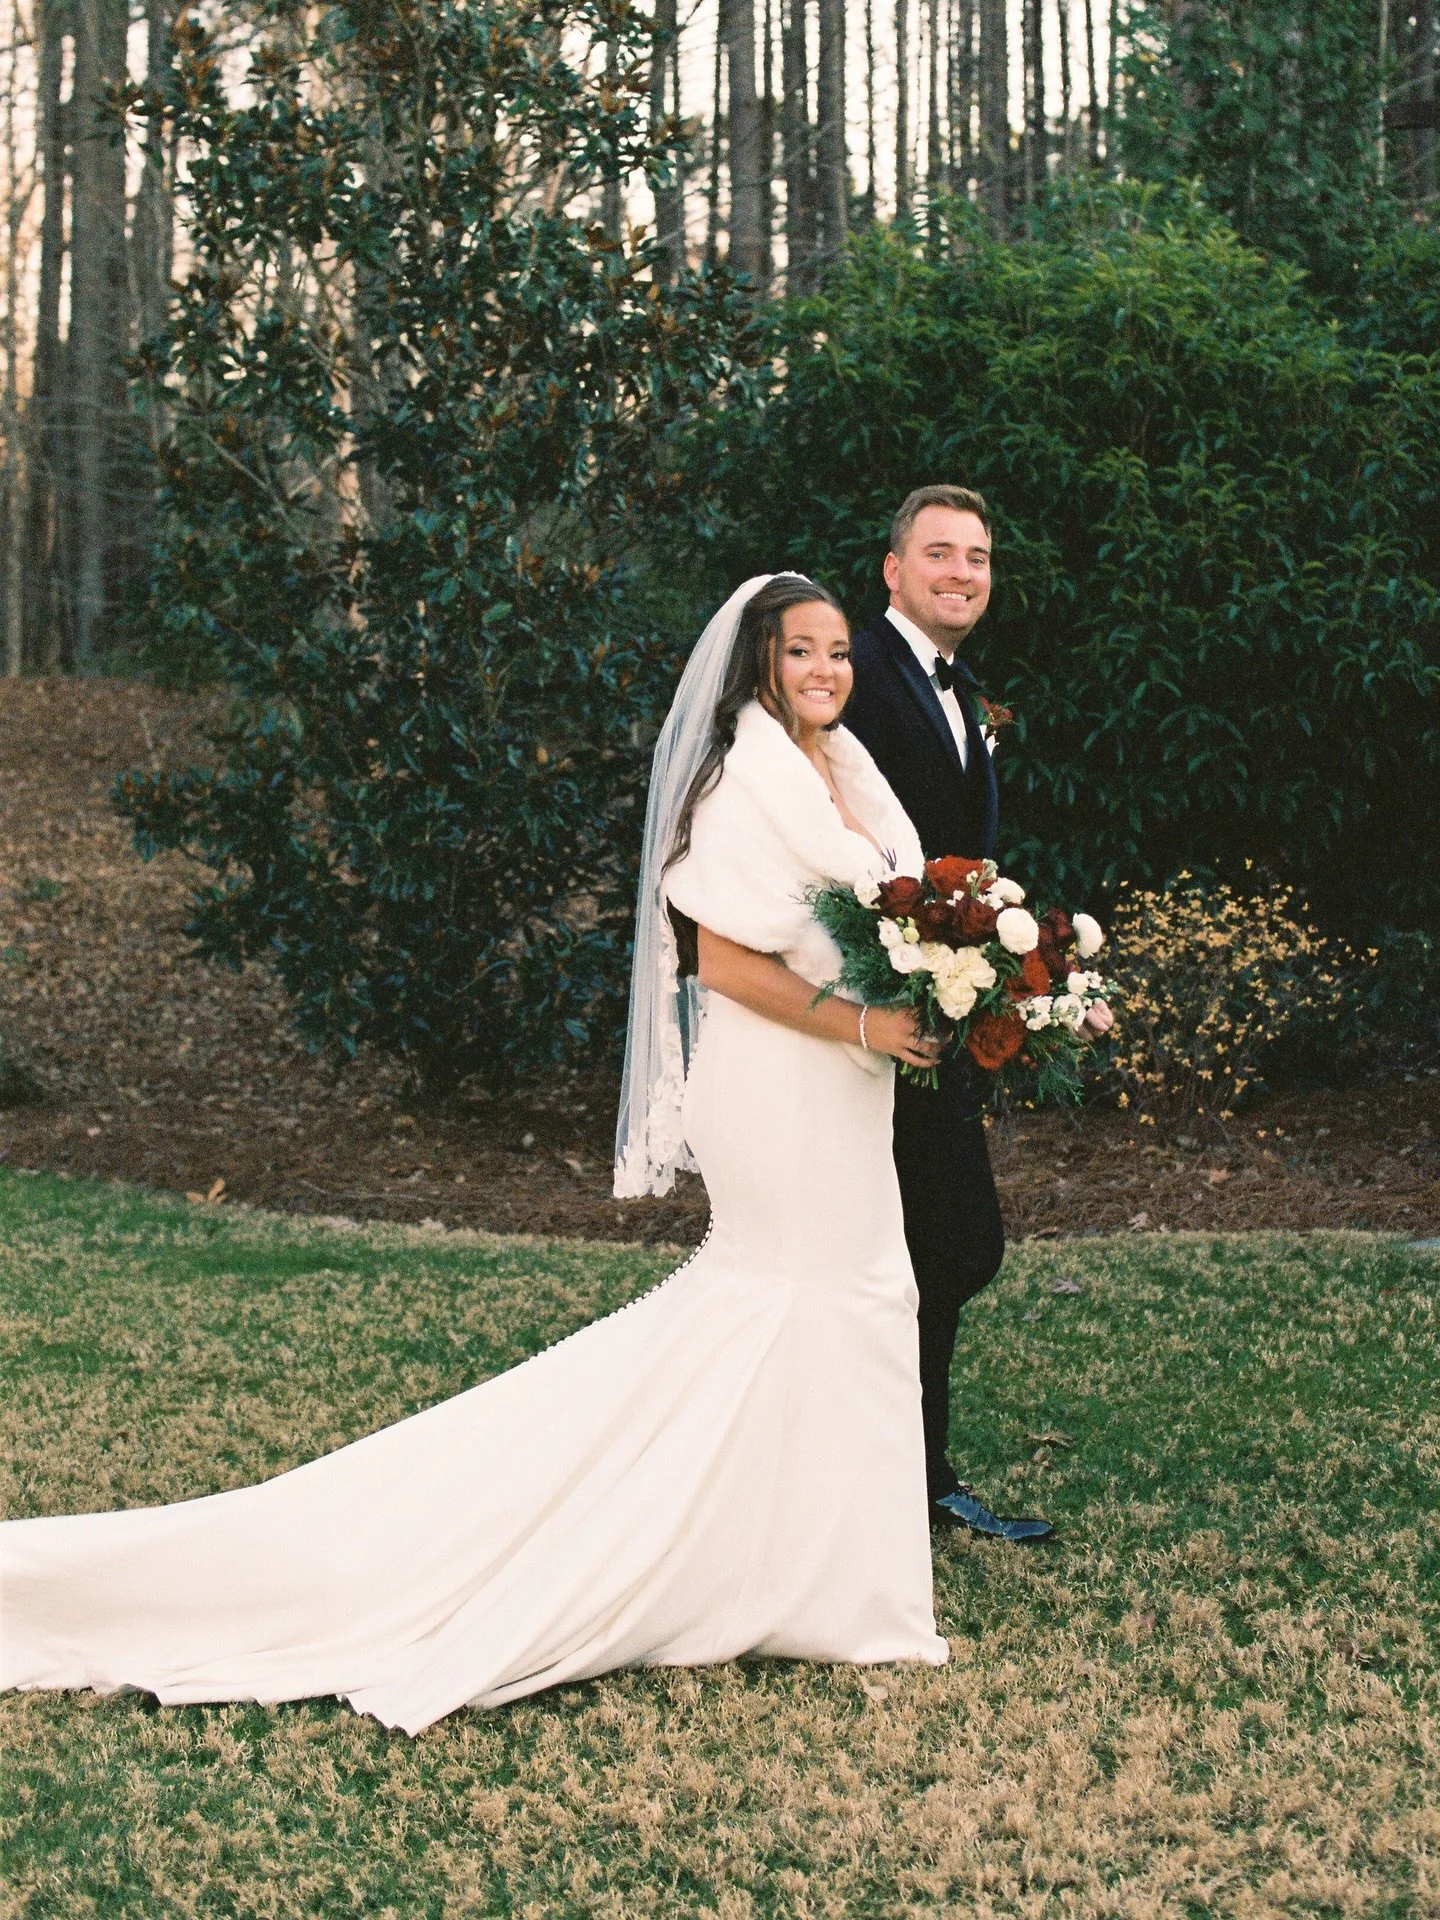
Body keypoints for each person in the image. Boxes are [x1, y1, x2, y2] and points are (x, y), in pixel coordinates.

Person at [0, 574, 949, 1735]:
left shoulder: (847, 774)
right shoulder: (742, 783)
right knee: (795, 1293)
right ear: (757, 664)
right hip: (780, 1080)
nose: (825, 672)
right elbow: (722, 963)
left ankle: (815, 1573)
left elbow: (884, 921)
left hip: (847, 1084)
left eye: (839, 652)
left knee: (855, 1297)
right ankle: (737, 1567)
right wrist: (862, 1022)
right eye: (800, 652)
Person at [844, 485, 1055, 1544]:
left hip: (941, 1016)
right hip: (871, 1024)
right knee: (948, 1243)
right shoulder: (856, 675)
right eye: (939, 554)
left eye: (976, 557)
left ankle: (910, 1474)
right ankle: (893, 1476)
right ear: (894, 571)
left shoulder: (962, 691)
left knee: (941, 1244)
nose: (961, 573)